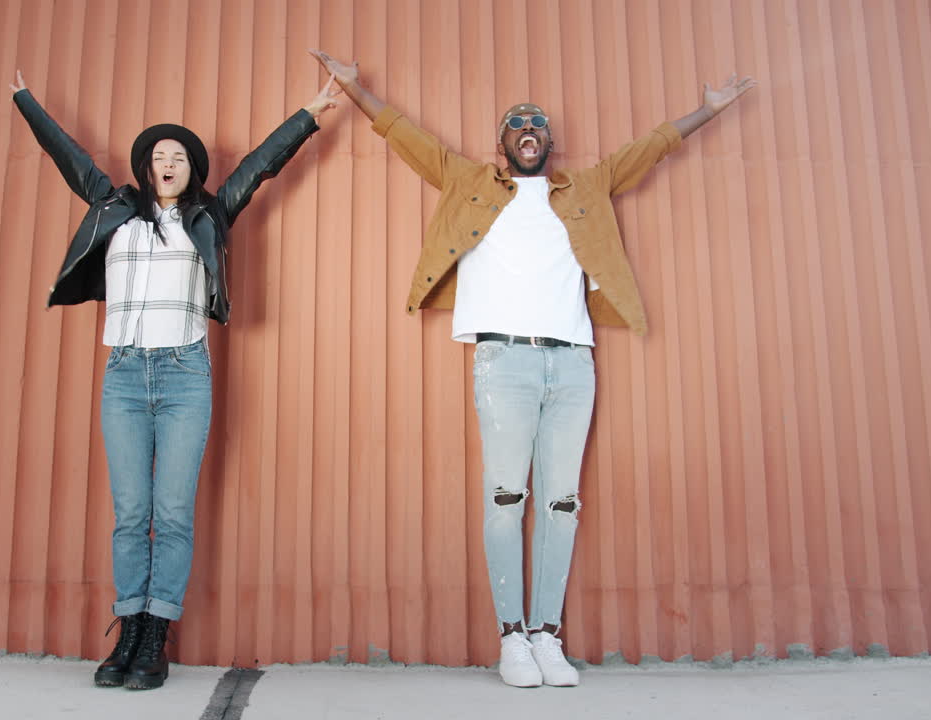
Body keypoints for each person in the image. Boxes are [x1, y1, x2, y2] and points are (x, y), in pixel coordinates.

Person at [310, 49, 754, 688]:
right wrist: (355, 92)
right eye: (517, 124)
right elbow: (407, 137)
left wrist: (706, 113)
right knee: (505, 500)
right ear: (501, 143)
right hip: (504, 360)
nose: (528, 129)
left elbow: (649, 148)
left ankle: (548, 634)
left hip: (573, 361)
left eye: (538, 124)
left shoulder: (587, 186)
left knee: (562, 503)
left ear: (550, 141)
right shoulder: (468, 182)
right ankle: (511, 638)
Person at [9, 69, 339, 690]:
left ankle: (156, 636)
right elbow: (66, 155)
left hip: (186, 373)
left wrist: (311, 112)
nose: (168, 163)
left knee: (174, 512)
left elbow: (262, 166)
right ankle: (127, 630)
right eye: (158, 156)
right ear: (144, 167)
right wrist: (24, 101)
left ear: (193, 170)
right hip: (126, 374)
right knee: (131, 513)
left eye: (179, 157)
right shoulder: (114, 209)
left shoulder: (211, 215)